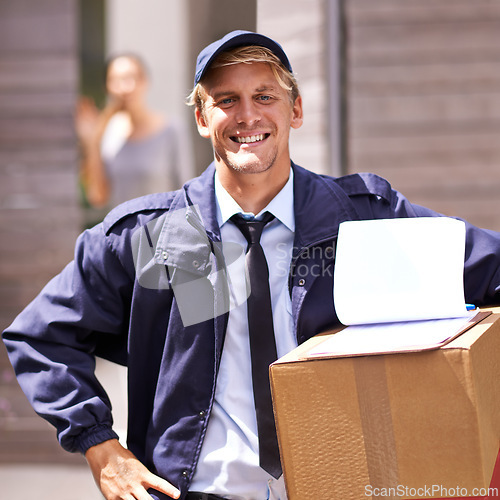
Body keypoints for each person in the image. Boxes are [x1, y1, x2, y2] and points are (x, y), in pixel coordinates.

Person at [3, 30, 500, 500]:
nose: (247, 116)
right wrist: (100, 446)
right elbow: (41, 335)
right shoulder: (164, 233)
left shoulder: (358, 217)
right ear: (201, 118)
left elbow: (489, 270)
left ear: (295, 109)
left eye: (265, 96)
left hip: (346, 483)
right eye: (226, 100)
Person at [75, 52, 194, 210]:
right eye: (115, 80)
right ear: (107, 87)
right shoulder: (108, 134)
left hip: (162, 232)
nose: (124, 87)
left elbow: (186, 195)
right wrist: (91, 142)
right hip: (121, 233)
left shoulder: (172, 130)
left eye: (131, 78)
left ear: (145, 81)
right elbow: (98, 197)